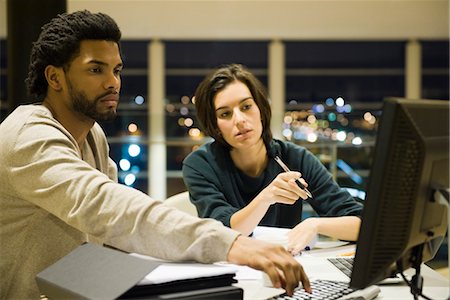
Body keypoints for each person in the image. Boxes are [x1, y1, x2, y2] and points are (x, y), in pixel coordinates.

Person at [0, 11, 310, 299]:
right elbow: (108, 207)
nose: (112, 82)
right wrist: (233, 244)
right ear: (54, 78)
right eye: (96, 69)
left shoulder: (92, 135)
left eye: (116, 70)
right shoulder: (29, 136)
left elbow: (113, 233)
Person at [183, 63, 363, 256]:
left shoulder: (295, 158)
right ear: (215, 125)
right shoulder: (199, 165)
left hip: (288, 269)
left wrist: (315, 224)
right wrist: (265, 198)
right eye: (225, 114)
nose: (240, 120)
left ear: (260, 109)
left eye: (246, 106)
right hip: (232, 272)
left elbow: (362, 223)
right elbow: (222, 234)